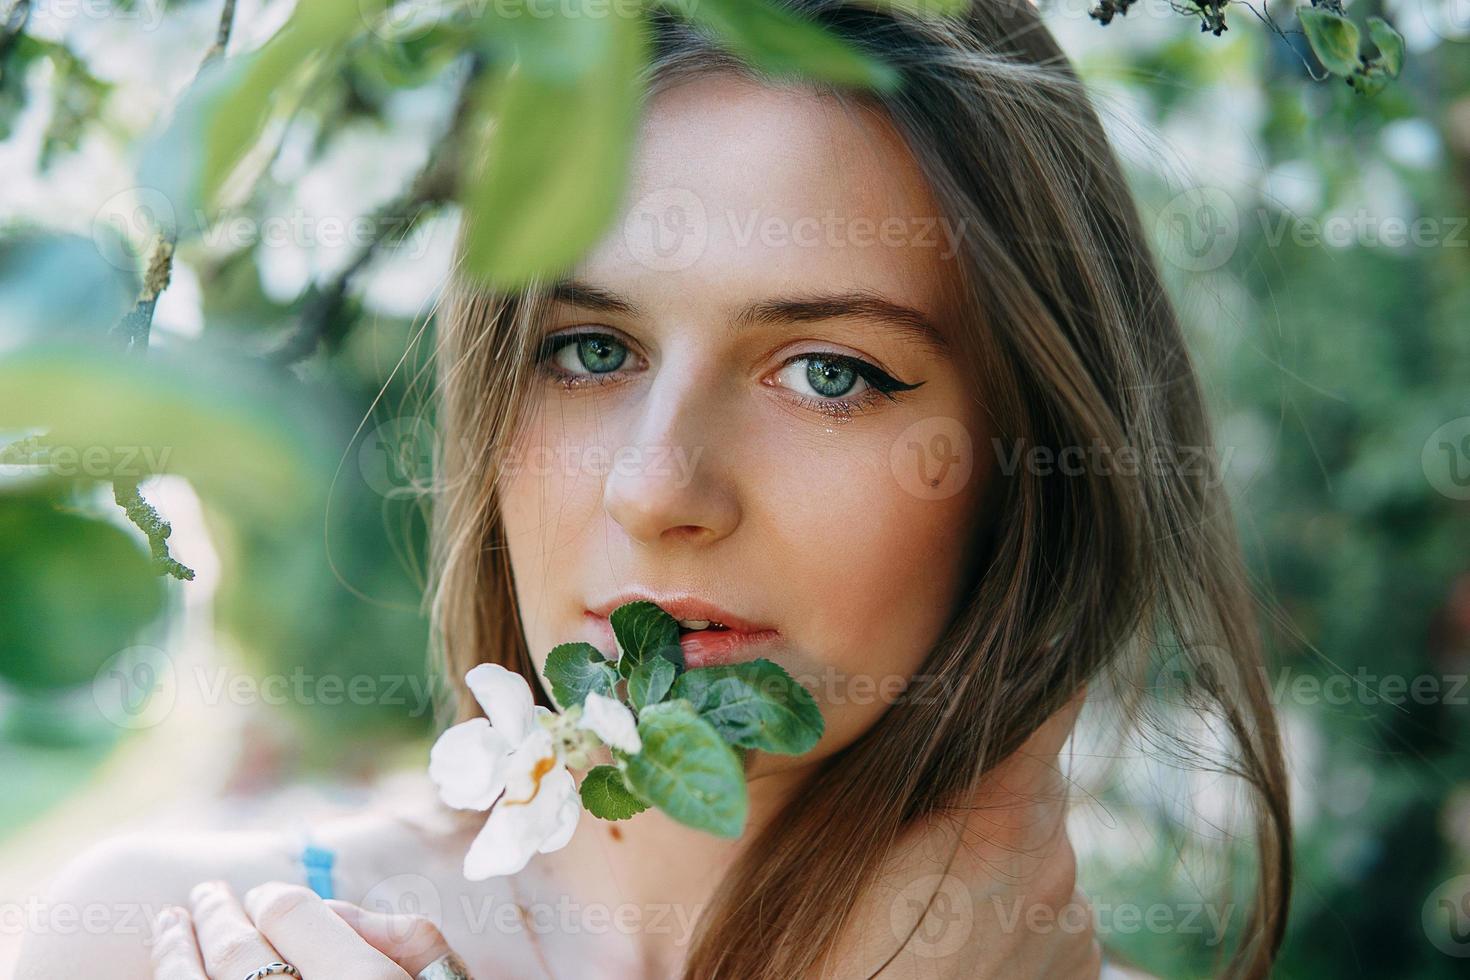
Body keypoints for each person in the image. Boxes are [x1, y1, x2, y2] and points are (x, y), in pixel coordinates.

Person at [17, 1, 1289, 977]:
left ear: (1029, 463)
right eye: (590, 350)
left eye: (830, 372)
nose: (657, 485)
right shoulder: (156, 940)